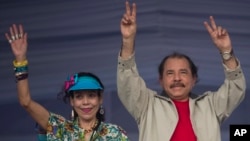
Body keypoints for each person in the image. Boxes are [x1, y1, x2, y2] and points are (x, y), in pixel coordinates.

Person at [117, 1, 246, 141]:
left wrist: (226, 51)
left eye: (183, 72)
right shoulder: (147, 105)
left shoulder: (211, 105)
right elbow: (127, 80)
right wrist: (128, 40)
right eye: (170, 73)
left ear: (194, 79)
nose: (177, 78)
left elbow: (236, 87)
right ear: (161, 80)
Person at [5, 24, 129, 141]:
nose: (86, 102)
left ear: (100, 98)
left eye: (91, 95)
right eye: (79, 97)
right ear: (72, 101)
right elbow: (25, 102)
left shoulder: (115, 134)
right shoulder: (59, 129)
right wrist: (20, 60)